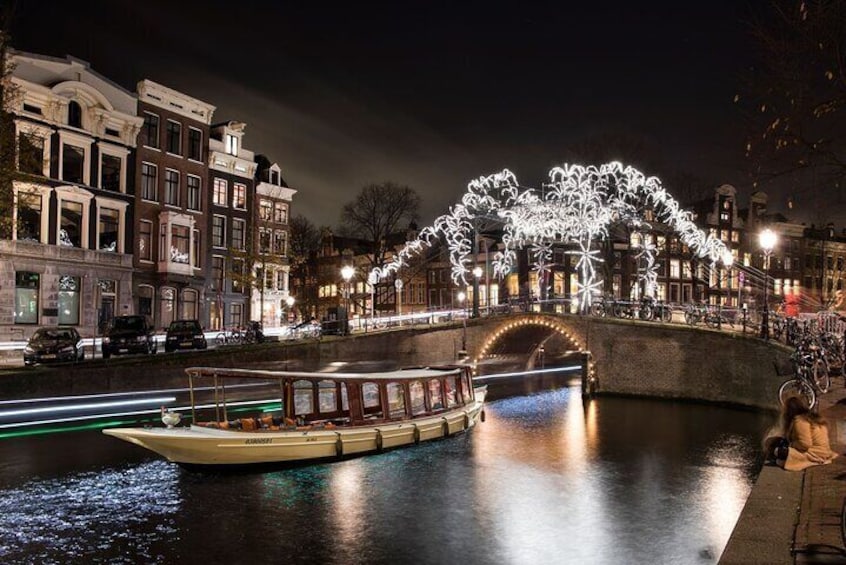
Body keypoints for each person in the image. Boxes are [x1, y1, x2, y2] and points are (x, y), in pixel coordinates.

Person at [771, 397, 838, 471]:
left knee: (777, 451)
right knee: (779, 448)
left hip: (814, 454)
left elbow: (805, 444)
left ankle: (789, 460)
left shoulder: (800, 420)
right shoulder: (811, 417)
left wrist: (791, 445)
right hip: (823, 452)